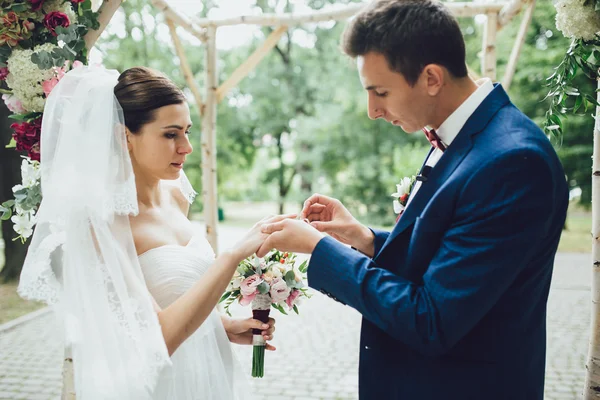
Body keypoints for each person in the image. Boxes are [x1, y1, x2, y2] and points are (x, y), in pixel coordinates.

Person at [257, 0, 569, 399]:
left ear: (432, 78)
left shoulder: (511, 161)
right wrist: (364, 239)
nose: (372, 111)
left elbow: (432, 319)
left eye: (380, 92)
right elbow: (446, 254)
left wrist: (319, 249)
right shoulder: (462, 134)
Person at [17, 65, 279, 399]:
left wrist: (224, 325)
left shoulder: (177, 197)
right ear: (124, 136)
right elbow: (157, 339)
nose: (186, 147)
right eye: (171, 134)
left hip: (210, 374)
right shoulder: (102, 222)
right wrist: (231, 255)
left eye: (186, 132)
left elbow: (178, 293)